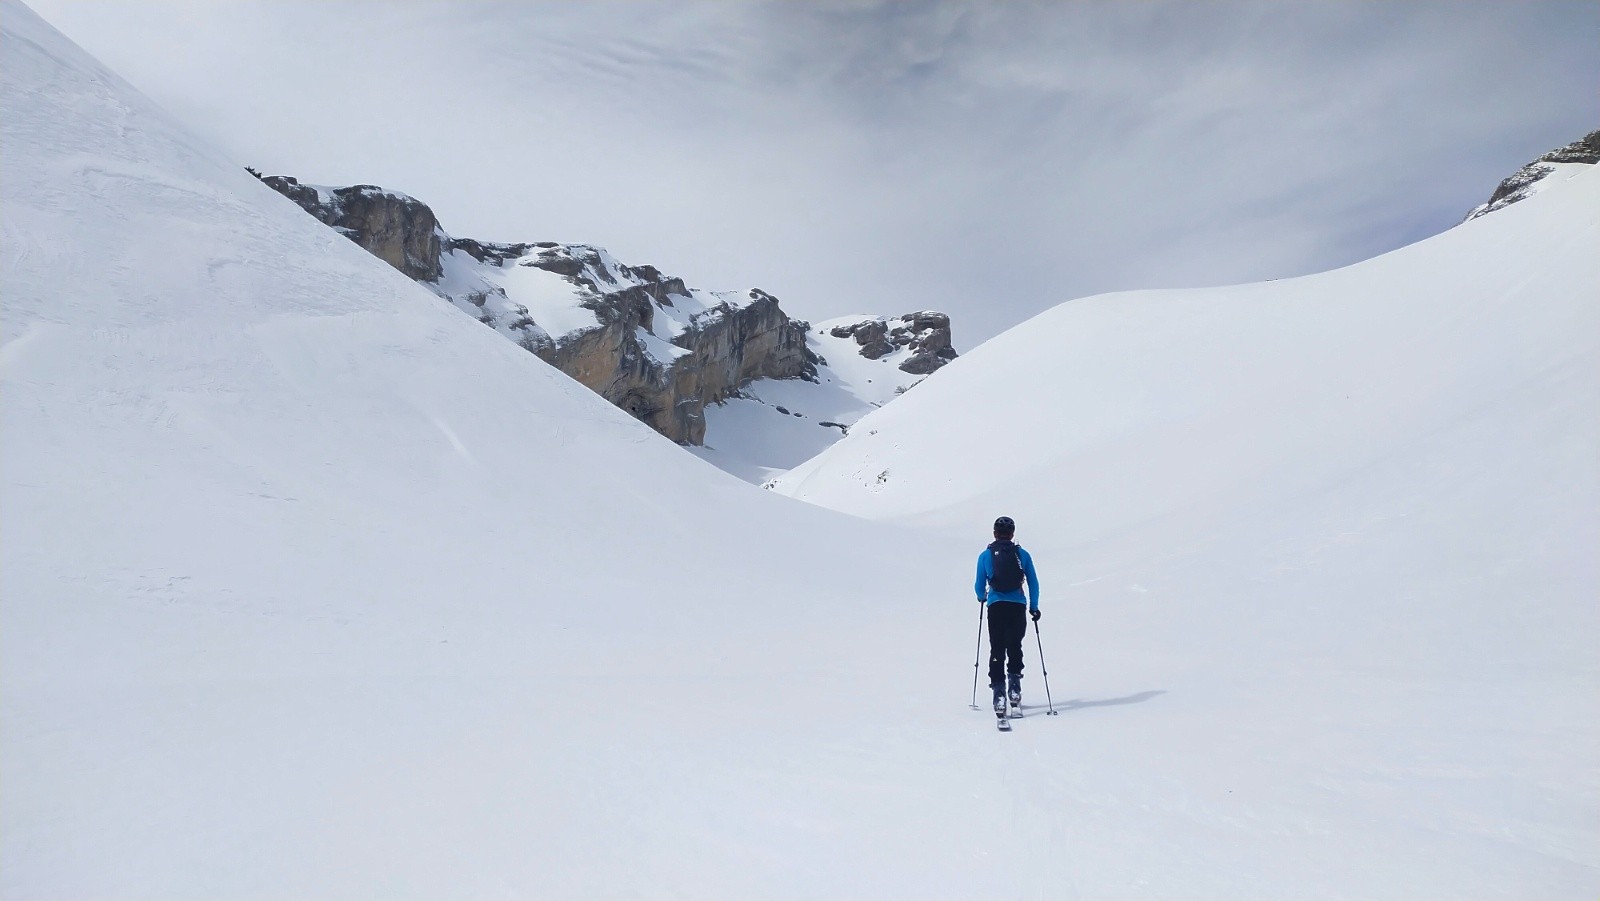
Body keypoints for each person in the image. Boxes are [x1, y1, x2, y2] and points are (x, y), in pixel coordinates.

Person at [975, 515, 1040, 713]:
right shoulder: (1023, 555)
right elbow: (1033, 582)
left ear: (995, 533)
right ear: (1012, 534)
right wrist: (1034, 607)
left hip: (996, 606)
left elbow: (979, 585)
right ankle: (1014, 689)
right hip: (1017, 606)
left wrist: (982, 597)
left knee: (997, 648)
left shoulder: (985, 555)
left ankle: (998, 693)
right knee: (1014, 645)